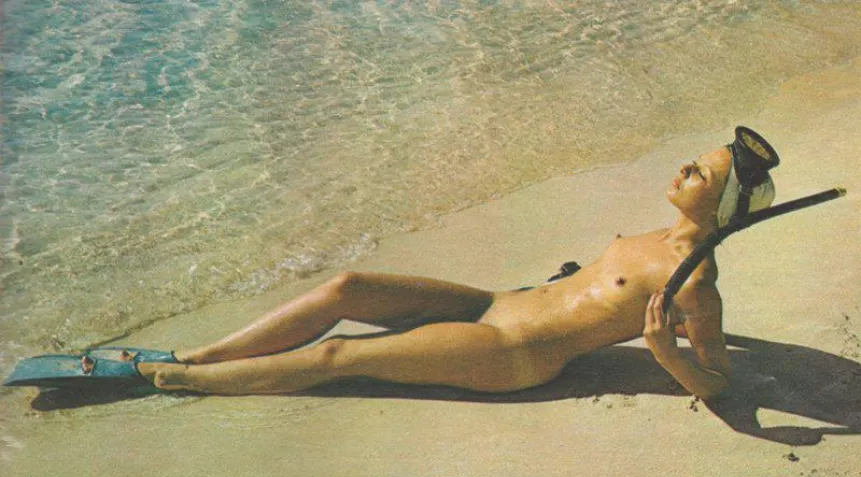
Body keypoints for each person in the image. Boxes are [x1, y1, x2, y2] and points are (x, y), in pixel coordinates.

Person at [138, 142, 776, 399]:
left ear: (720, 205)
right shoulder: (657, 238)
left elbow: (719, 384)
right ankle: (206, 354)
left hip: (514, 350)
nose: (683, 170)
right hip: (493, 303)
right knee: (347, 288)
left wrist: (666, 350)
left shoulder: (695, 281)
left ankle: (185, 381)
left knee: (341, 355)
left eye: (700, 173)